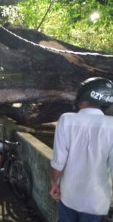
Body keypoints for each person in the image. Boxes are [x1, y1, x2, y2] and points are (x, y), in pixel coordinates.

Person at [50, 77, 113, 222]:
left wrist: (54, 183)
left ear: (83, 95)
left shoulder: (66, 119)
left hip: (68, 195)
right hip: (96, 200)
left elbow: (59, 161)